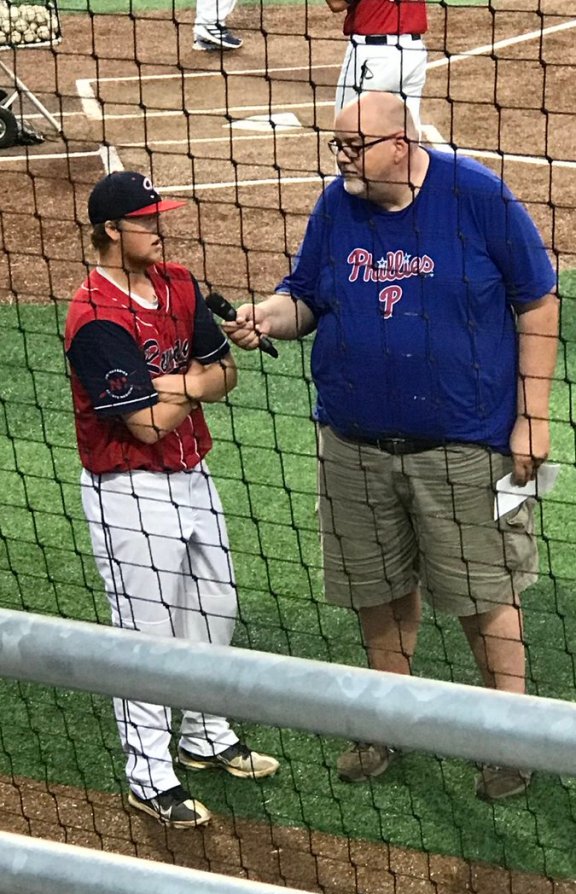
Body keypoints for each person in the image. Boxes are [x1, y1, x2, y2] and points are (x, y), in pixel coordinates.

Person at [220, 92, 558, 802]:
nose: (341, 159)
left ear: (400, 145)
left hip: (464, 445)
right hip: (354, 444)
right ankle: (387, 724)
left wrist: (532, 416)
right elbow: (305, 297)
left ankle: (512, 737)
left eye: (354, 147)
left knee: (483, 595)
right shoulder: (336, 207)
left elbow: (538, 301)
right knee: (377, 593)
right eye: (338, 146)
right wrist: (267, 316)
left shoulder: (476, 196)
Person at [64, 171, 279, 829]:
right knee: (147, 635)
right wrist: (195, 381)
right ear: (109, 230)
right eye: (146, 220)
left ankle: (205, 734)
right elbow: (147, 426)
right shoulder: (94, 318)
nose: (159, 229)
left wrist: (177, 383)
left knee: (215, 607)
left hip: (194, 475)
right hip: (129, 489)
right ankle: (149, 775)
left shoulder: (179, 283)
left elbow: (227, 373)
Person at [326, 0, 427, 128]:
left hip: (374, 55)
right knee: (406, 130)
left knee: (349, 127)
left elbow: (337, 3)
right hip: (413, 52)